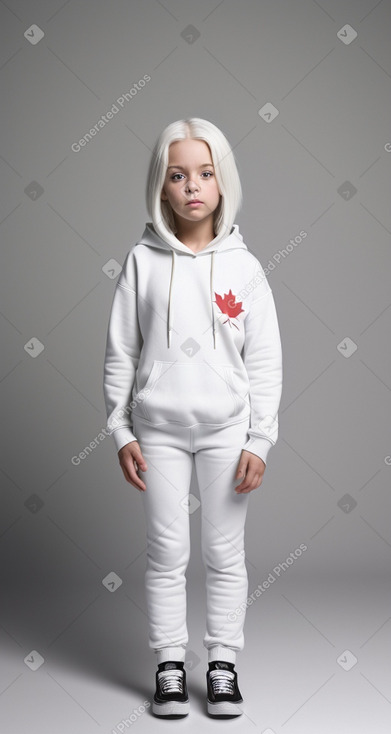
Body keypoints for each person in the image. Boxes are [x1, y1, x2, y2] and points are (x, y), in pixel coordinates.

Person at [103, 117, 283, 717]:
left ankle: (224, 664)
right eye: (178, 175)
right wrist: (122, 429)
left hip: (227, 432)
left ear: (222, 181)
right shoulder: (141, 262)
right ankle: (170, 668)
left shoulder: (246, 266)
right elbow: (121, 351)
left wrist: (260, 439)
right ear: (162, 186)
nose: (192, 186)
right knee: (165, 552)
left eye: (204, 173)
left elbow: (265, 360)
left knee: (225, 553)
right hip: (157, 432)